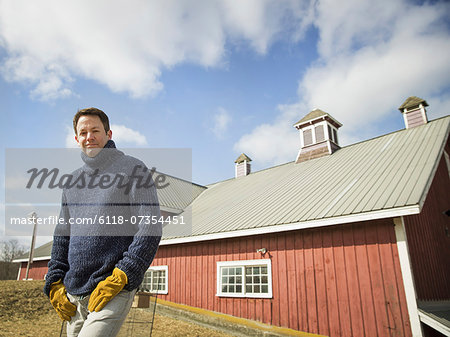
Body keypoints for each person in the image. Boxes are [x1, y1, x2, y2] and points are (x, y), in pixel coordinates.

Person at [43, 108, 162, 337]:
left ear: (108, 134)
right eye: (84, 132)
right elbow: (62, 236)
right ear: (77, 139)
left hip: (112, 288)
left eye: (95, 130)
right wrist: (54, 281)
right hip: (73, 293)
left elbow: (150, 226)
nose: (90, 137)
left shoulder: (133, 169)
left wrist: (124, 274)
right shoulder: (70, 183)